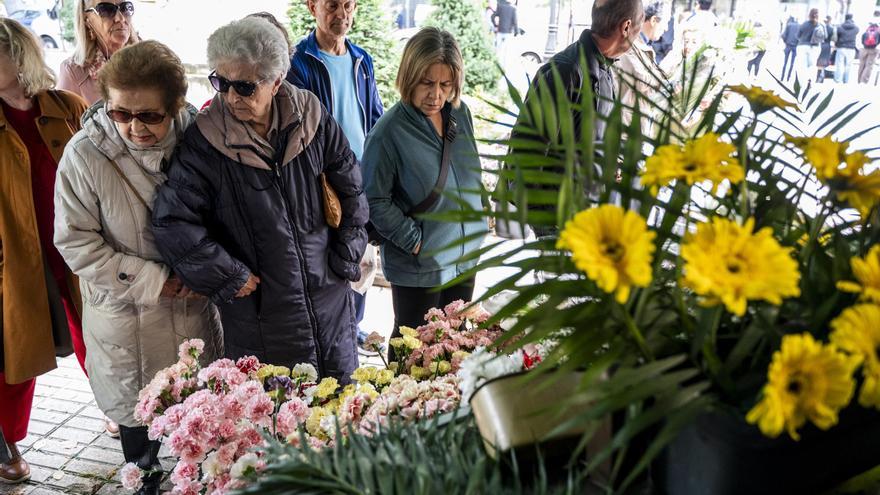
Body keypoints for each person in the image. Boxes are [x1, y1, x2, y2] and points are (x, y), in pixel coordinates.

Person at [152, 17, 367, 383]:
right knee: (278, 422)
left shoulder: (312, 118)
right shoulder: (204, 143)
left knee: (339, 415)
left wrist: (346, 255)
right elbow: (173, 221)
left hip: (330, 304)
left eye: (246, 86)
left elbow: (352, 189)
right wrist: (228, 275)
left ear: (276, 81)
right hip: (261, 319)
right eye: (221, 82)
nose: (231, 97)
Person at [54, 40, 221, 495]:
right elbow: (75, 242)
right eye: (120, 113)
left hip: (192, 311)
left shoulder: (200, 139)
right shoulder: (84, 156)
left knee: (200, 417)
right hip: (127, 320)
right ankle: (146, 482)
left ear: (175, 106)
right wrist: (155, 280)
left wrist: (212, 266)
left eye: (149, 115)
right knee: (137, 417)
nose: (134, 127)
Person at [362, 27, 486, 362]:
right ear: (409, 76)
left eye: (445, 85)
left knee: (455, 348)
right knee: (413, 355)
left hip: (464, 259)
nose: (436, 95)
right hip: (420, 267)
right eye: (426, 83)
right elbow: (373, 200)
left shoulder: (460, 114)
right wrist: (417, 241)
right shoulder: (388, 132)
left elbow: (468, 167)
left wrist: (481, 210)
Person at [0, 17, 87, 485]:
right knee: (14, 356)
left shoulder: (68, 106)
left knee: (102, 341)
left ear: (19, 56)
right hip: (15, 258)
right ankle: (5, 441)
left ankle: (134, 419)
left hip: (76, 250)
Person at [287, 0, 383, 356]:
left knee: (363, 257)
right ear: (313, 6)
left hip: (362, 177)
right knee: (333, 258)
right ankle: (332, 329)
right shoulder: (300, 61)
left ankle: (353, 324)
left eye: (348, 5)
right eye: (331, 5)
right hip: (324, 181)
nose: (340, 13)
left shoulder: (362, 59)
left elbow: (375, 115)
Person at [58, 0, 139, 104]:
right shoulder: (73, 72)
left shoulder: (149, 59)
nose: (120, 18)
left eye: (125, 8)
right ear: (87, 20)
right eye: (106, 10)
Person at [615, 0, 669, 136]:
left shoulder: (643, 45)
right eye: (666, 21)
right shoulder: (630, 43)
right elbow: (641, 80)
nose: (667, 28)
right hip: (624, 126)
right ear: (654, 20)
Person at [794, 8, 821, 84]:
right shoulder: (820, 25)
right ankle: (810, 81)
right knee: (812, 65)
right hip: (815, 47)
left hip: (802, 46)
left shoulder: (804, 24)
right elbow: (824, 36)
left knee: (802, 65)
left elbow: (798, 35)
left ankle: (801, 81)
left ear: (809, 14)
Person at [492, 0, 519, 68]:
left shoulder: (500, 7)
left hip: (500, 31)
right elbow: (515, 22)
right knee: (506, 51)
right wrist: (516, 32)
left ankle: (496, 66)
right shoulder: (512, 9)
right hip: (508, 33)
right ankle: (503, 67)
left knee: (498, 50)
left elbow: (493, 16)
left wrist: (495, 25)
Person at [835, 13, 859, 83]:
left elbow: (837, 36)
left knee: (839, 64)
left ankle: (838, 80)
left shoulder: (840, 27)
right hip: (851, 48)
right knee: (848, 65)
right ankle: (846, 80)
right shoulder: (856, 28)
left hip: (841, 47)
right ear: (852, 18)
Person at [859, 17, 879, 84]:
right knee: (869, 65)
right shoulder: (878, 30)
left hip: (864, 48)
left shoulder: (866, 29)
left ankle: (859, 80)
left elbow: (861, 38)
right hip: (874, 49)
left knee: (862, 65)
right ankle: (863, 81)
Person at [816, 15, 836, 82]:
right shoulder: (832, 28)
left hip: (820, 44)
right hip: (827, 45)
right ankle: (821, 76)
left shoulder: (820, 27)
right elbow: (834, 39)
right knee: (824, 62)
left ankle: (818, 76)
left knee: (818, 61)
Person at [781, 16, 800, 81]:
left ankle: (782, 77)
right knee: (792, 63)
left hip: (788, 45)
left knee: (785, 62)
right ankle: (788, 78)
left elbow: (783, 35)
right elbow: (800, 37)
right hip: (795, 46)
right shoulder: (799, 26)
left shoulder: (789, 25)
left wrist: (785, 42)